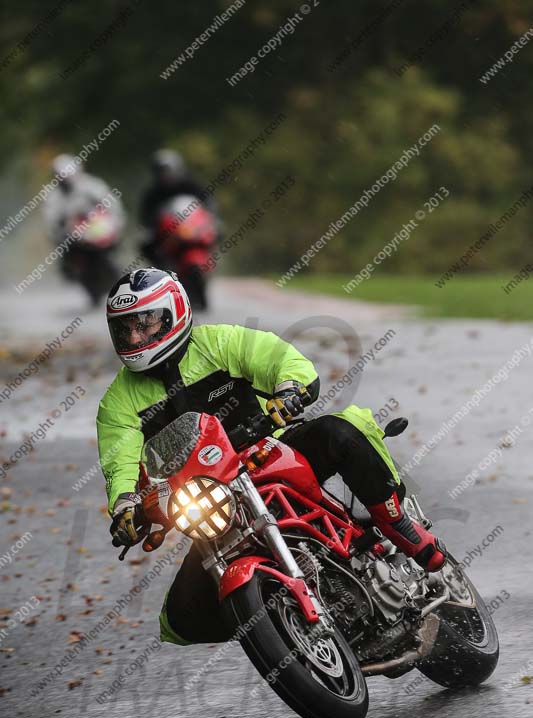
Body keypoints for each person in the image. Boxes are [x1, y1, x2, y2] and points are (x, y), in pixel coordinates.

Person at [97, 268, 446, 646]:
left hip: (274, 451)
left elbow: (284, 361)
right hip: (211, 498)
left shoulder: (223, 342)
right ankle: (279, 621)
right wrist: (125, 509)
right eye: (125, 329)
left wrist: (290, 390)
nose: (135, 337)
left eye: (146, 324)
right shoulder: (116, 404)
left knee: (339, 431)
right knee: (183, 620)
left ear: (174, 312)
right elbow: (121, 467)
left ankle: (399, 526)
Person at [138, 149, 215, 265]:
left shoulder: (191, 185)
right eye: (160, 171)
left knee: (215, 233)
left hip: (192, 226)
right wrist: (149, 231)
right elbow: (145, 217)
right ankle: (160, 271)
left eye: (167, 170)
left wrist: (212, 220)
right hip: (165, 232)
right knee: (147, 245)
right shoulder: (153, 193)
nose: (164, 174)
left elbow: (208, 204)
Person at [43, 154, 125, 247]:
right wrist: (69, 230)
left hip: (104, 241)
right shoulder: (53, 197)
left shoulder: (92, 185)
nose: (68, 181)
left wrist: (114, 225)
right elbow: (53, 226)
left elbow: (113, 206)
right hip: (73, 246)